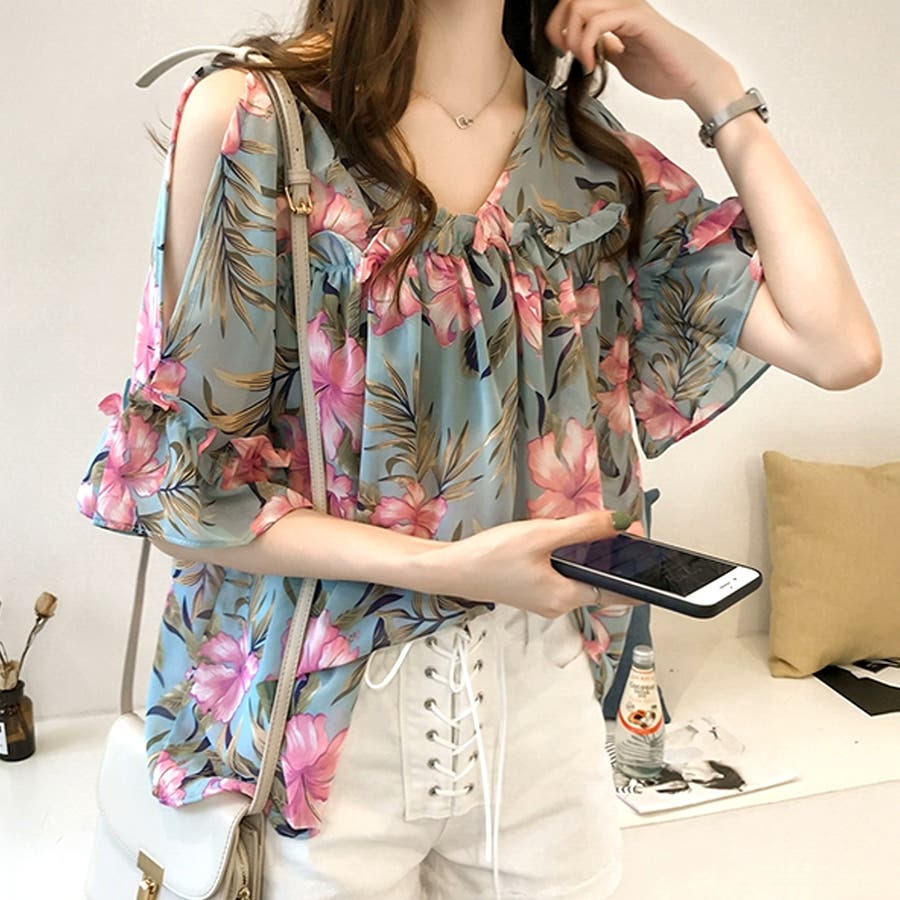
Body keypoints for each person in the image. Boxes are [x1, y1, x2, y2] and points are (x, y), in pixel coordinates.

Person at [76, 1, 881, 897]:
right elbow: (181, 497)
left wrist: (719, 93)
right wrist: (452, 568)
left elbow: (838, 346)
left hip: (541, 715)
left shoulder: (584, 159)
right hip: (322, 725)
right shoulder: (260, 122)